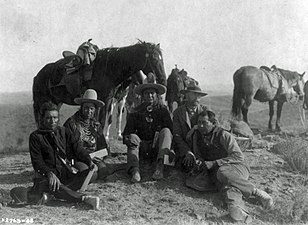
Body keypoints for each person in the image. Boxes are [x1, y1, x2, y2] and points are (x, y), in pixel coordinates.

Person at [186, 110, 274, 222]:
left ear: (213, 123)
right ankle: (237, 210)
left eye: (204, 122)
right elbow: (199, 155)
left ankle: (257, 192)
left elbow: (238, 156)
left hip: (237, 167)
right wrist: (200, 162)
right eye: (199, 122)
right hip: (217, 171)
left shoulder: (223, 135)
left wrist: (214, 163)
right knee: (224, 185)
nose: (201, 125)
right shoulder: (197, 136)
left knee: (223, 173)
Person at [28, 101, 100, 210]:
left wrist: (89, 161)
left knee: (92, 174)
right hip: (48, 177)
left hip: (66, 174)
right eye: (49, 118)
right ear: (42, 118)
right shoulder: (35, 137)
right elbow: (37, 162)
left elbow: (77, 148)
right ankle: (84, 199)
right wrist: (49, 173)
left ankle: (56, 194)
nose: (52, 121)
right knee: (49, 184)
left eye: (55, 118)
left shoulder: (63, 131)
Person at [123, 73, 173, 183]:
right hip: (142, 148)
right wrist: (129, 139)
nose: (149, 96)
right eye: (146, 93)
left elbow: (170, 131)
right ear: (142, 95)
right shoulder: (136, 111)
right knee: (132, 136)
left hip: (157, 149)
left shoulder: (163, 110)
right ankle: (135, 170)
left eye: (152, 93)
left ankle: (160, 167)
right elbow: (127, 132)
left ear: (156, 95)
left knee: (166, 131)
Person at [63, 89, 109, 180]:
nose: (89, 111)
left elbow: (102, 144)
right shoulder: (72, 123)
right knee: (90, 174)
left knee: (104, 171)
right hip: (77, 158)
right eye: (86, 108)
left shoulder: (96, 124)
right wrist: (88, 158)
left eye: (92, 108)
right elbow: (73, 148)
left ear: (95, 110)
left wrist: (101, 156)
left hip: (94, 157)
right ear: (81, 107)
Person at [172, 84, 209, 171]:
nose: (197, 98)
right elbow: (177, 135)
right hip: (184, 147)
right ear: (187, 96)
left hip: (202, 147)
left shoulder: (205, 110)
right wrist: (187, 151)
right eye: (194, 95)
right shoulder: (178, 112)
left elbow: (214, 128)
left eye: (199, 96)